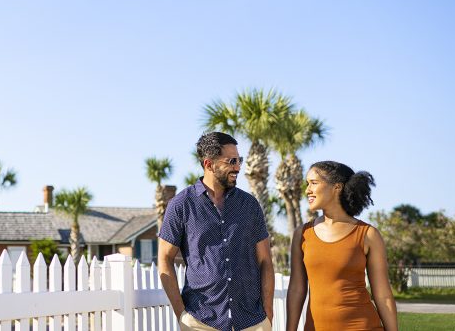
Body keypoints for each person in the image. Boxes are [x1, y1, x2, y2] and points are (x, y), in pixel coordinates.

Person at [158, 132, 274, 331]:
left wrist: (268, 313)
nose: (238, 167)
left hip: (252, 322)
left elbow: (265, 260)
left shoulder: (249, 205)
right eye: (231, 161)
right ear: (208, 164)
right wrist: (182, 315)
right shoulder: (182, 205)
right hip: (201, 322)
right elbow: (164, 259)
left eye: (239, 160)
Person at [286, 161, 398, 330]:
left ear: (337, 187)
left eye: (314, 183)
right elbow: (296, 289)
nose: (307, 190)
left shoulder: (368, 234)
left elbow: (383, 295)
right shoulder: (302, 234)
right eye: (307, 184)